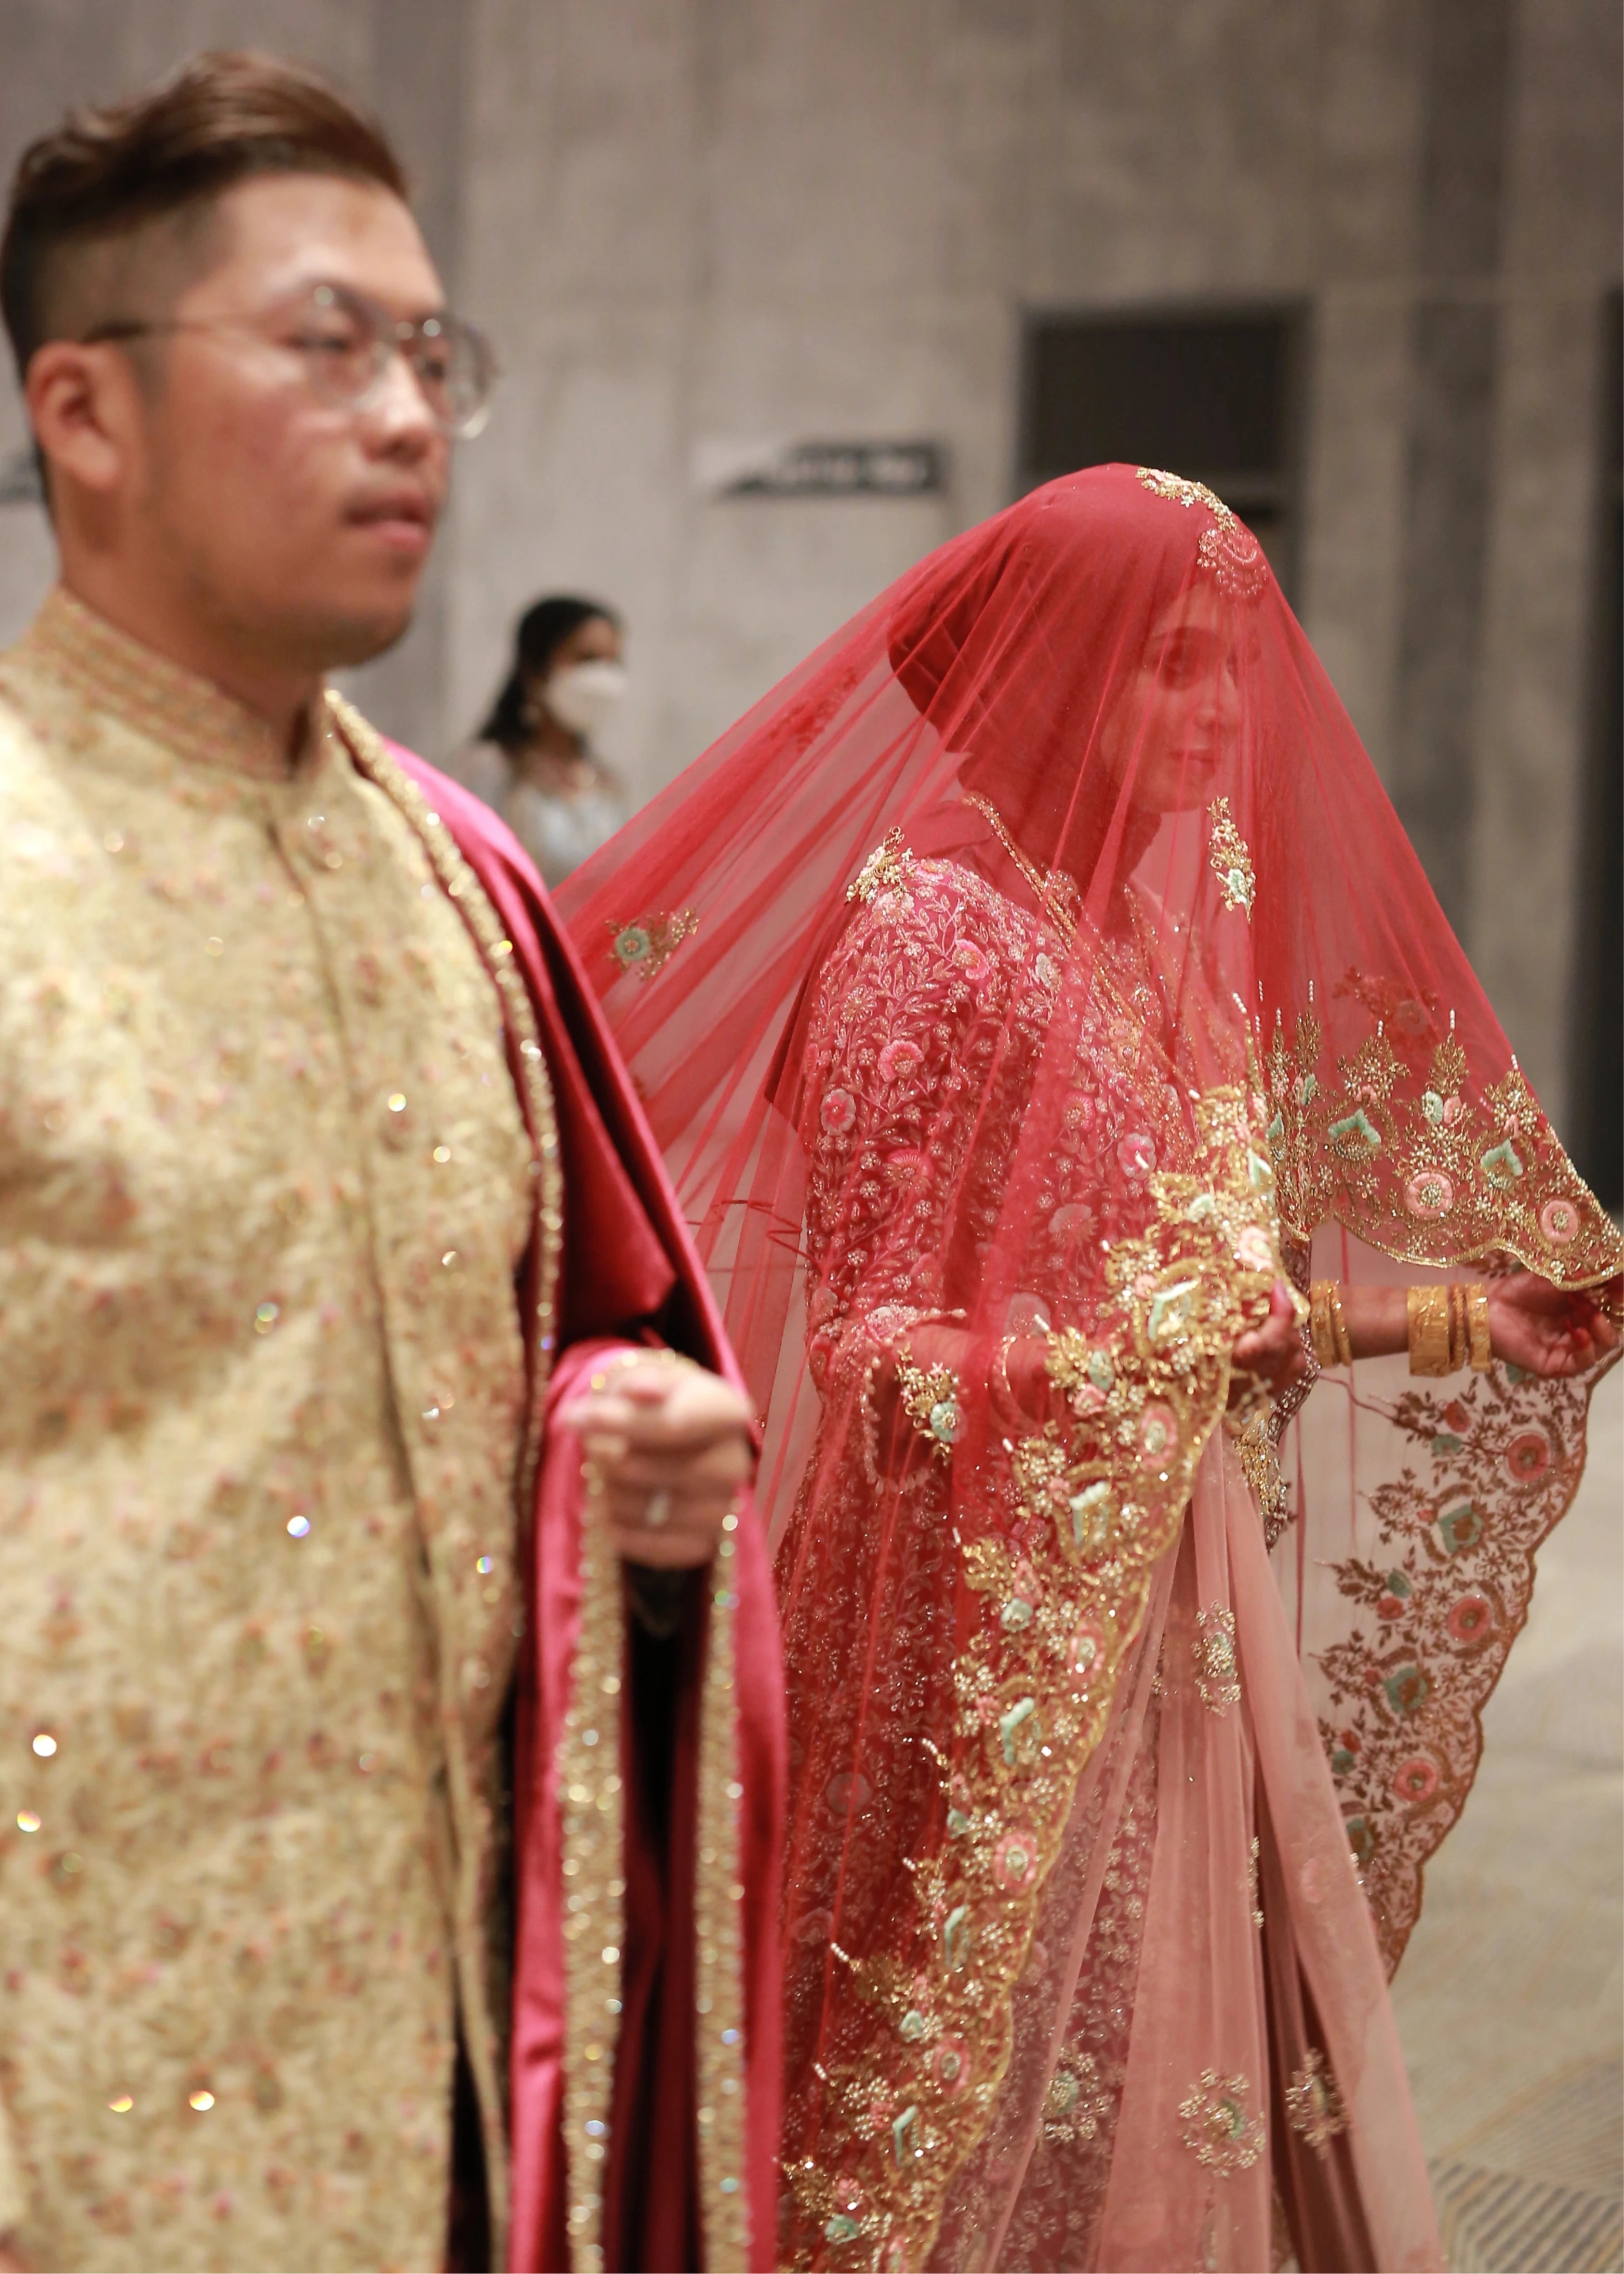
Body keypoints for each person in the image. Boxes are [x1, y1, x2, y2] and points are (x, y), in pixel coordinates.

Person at [557, 464, 1622, 2272]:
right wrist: (1148, 1351)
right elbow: (879, 1360)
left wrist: (1458, 1317)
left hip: (1153, 1606)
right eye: (1171, 667)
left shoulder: (1124, 930)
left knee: (1160, 2068)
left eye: (1229, 667)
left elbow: (1213, 1315)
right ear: (1049, 676)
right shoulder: (927, 938)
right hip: (979, 1639)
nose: (1220, 715)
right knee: (965, 2108)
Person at [0, 51, 782, 2274]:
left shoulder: (451, 883)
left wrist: (626, 1476)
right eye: (327, 344)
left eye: (434, 353)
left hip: (435, 2101)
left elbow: (496, 1377)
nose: (413, 412)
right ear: (87, 413)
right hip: (69, 2130)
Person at [452, 596, 631, 891]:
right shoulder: (490, 768)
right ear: (536, 670)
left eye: (614, 662)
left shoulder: (608, 783)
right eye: (588, 659)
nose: (603, 678)